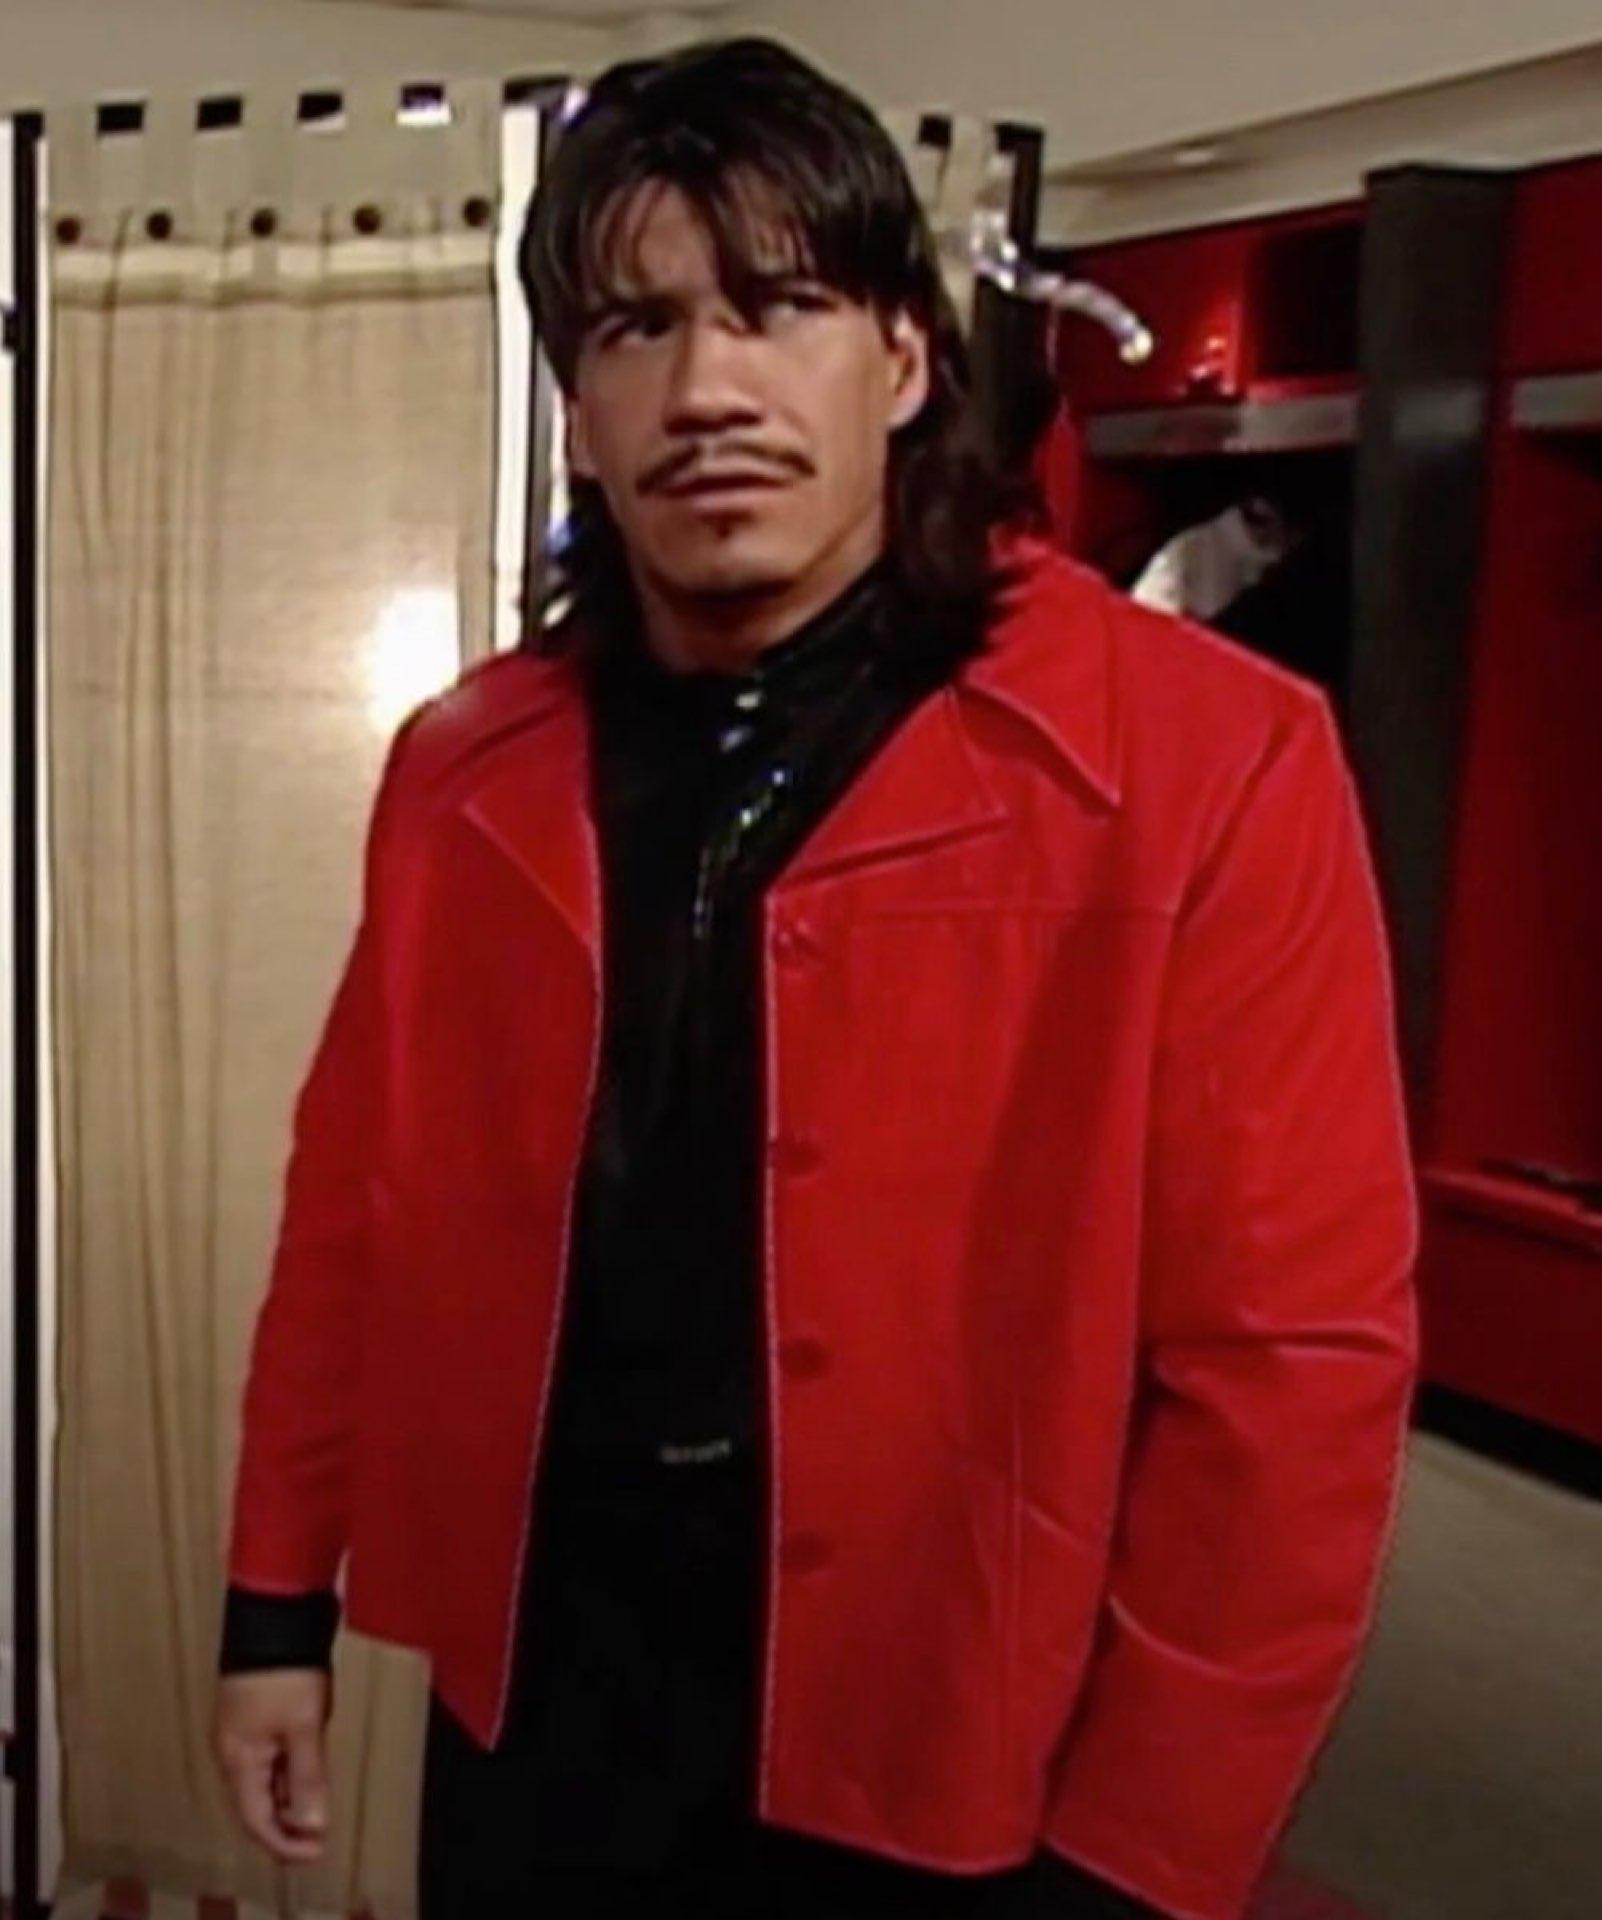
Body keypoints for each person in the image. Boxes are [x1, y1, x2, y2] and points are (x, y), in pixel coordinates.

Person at [211, 37, 1419, 1920]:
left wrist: (1148, 1848)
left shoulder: (1204, 759)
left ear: (904, 357)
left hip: (959, 1724)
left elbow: (1291, 1368)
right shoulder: (466, 767)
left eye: (778, 308)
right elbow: (357, 1210)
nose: (707, 389)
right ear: (578, 410)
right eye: (637, 328)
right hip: (550, 1688)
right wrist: (274, 1602)